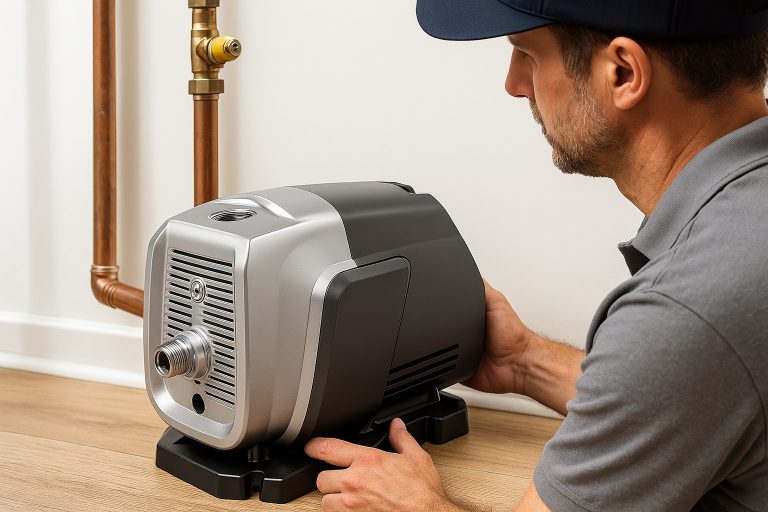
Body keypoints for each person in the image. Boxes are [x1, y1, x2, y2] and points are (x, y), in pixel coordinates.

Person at [304, 1, 768, 510]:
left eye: (527, 53)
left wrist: (417, 505)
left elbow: (680, 347)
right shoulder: (741, 235)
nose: (514, 82)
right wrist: (524, 361)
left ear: (623, 72)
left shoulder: (686, 306)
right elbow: (691, 390)